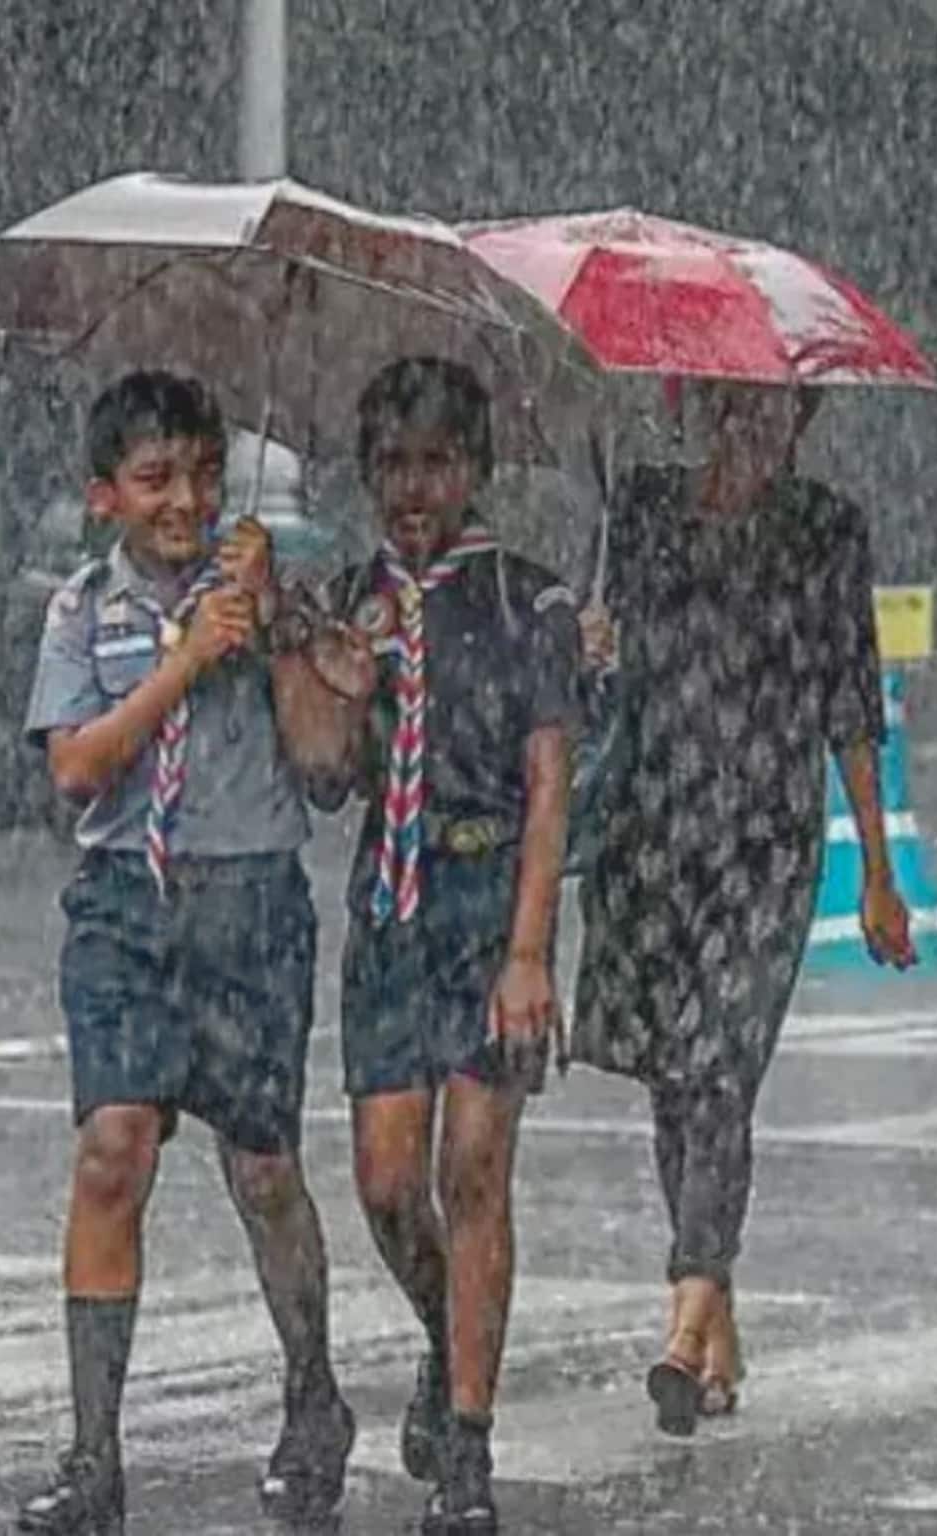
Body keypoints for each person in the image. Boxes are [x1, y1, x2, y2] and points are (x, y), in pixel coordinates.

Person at [17, 371, 355, 1532]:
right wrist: (183, 662)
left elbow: (328, 770)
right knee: (112, 1152)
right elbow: (75, 768)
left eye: (204, 475)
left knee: (262, 1172)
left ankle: (312, 1393)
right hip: (127, 901)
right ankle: (92, 1455)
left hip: (251, 903)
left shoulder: (269, 596)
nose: (185, 501)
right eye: (155, 479)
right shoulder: (81, 610)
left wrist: (276, 632)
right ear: (104, 495)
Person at [569, 379, 917, 1436]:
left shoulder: (824, 531)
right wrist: (589, 647)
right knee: (674, 1083)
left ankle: (682, 1324)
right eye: (738, 408)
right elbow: (593, 672)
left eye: (778, 412)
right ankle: (715, 1312)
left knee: (720, 1068)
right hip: (649, 833)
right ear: (705, 409)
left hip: (765, 845)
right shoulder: (640, 509)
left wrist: (878, 868)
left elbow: (850, 699)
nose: (756, 429)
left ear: (801, 421)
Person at [300, 356, 582, 1536]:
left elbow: (548, 784)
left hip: (486, 895)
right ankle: (443, 1331)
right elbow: (326, 780)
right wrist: (332, 685)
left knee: (473, 1164)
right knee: (384, 1182)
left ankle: (467, 1448)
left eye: (436, 463)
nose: (413, 488)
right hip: (389, 903)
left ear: (475, 470)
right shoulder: (346, 599)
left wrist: (528, 952)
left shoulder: (528, 601)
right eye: (392, 465)